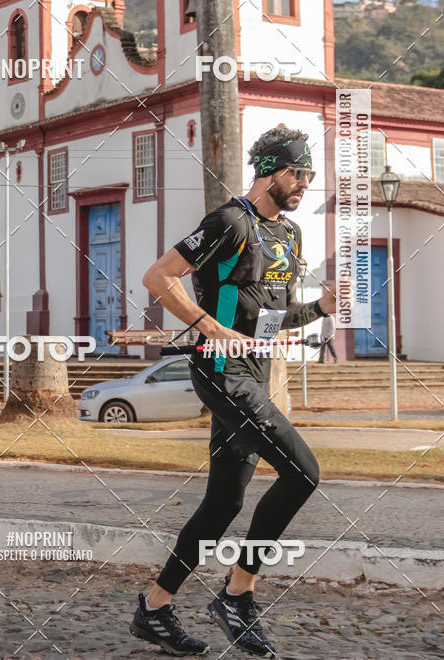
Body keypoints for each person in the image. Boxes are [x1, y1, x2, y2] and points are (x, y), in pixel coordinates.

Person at [130, 127, 338, 658]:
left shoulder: (288, 234)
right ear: (267, 173)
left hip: (255, 370)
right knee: (303, 473)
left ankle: (154, 607)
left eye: (309, 174)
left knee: (224, 502)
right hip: (222, 372)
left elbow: (270, 318)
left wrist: (320, 308)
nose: (304, 183)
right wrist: (207, 324)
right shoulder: (229, 222)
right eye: (296, 173)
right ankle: (237, 593)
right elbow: (159, 277)